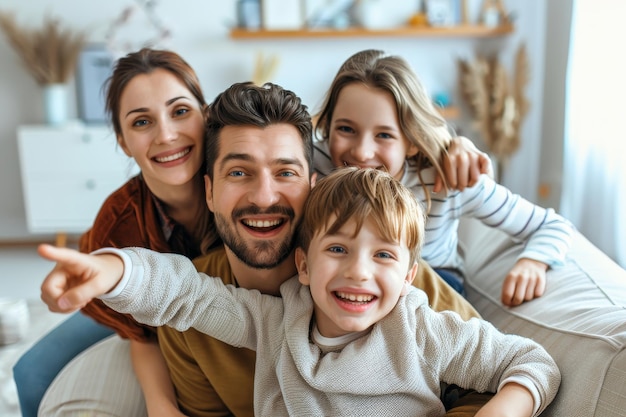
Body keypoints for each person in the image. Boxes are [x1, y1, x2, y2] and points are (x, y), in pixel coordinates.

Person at [40, 81, 496, 417]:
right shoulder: (194, 318)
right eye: (239, 173)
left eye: (285, 172)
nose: (263, 196)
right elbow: (169, 291)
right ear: (210, 192)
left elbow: (493, 380)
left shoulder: (393, 285)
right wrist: (111, 267)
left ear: (314, 186)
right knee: (37, 373)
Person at [38, 167, 561, 417]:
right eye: (339, 250)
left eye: (383, 255)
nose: (359, 272)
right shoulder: (274, 321)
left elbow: (533, 363)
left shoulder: (422, 329)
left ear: (407, 277)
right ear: (304, 265)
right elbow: (186, 293)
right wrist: (112, 271)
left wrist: (500, 412)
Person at [14, 48, 218, 417]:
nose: (167, 135)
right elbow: (140, 333)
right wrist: (161, 405)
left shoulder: (243, 188)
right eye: (142, 122)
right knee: (28, 373)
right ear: (123, 141)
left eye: (180, 111)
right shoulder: (119, 221)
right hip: (147, 325)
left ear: (206, 115)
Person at [313, 49, 574, 303]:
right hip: (350, 282)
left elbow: (553, 225)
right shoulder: (315, 161)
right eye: (346, 129)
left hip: (433, 285)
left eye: (384, 135)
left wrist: (532, 263)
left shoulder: (447, 178)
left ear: (412, 141)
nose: (362, 151)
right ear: (326, 127)